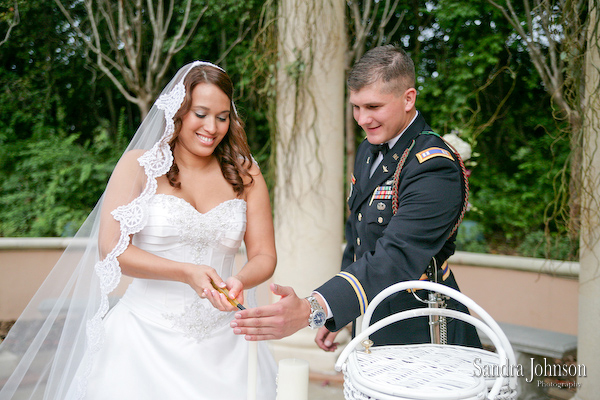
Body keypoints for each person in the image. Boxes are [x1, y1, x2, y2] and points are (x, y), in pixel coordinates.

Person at [0, 62, 277, 399]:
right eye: (200, 114)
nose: (212, 127)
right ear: (178, 113)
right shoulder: (139, 166)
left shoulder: (246, 174)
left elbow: (264, 255)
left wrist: (240, 280)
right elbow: (111, 248)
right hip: (142, 340)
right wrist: (185, 272)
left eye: (222, 116)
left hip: (225, 346)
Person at [231, 45, 482, 350]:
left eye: (374, 107)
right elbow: (358, 239)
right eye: (356, 107)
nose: (362, 119)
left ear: (408, 98)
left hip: (423, 329)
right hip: (372, 321)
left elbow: (396, 256)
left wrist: (316, 307)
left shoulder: (433, 165)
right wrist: (342, 315)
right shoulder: (369, 149)